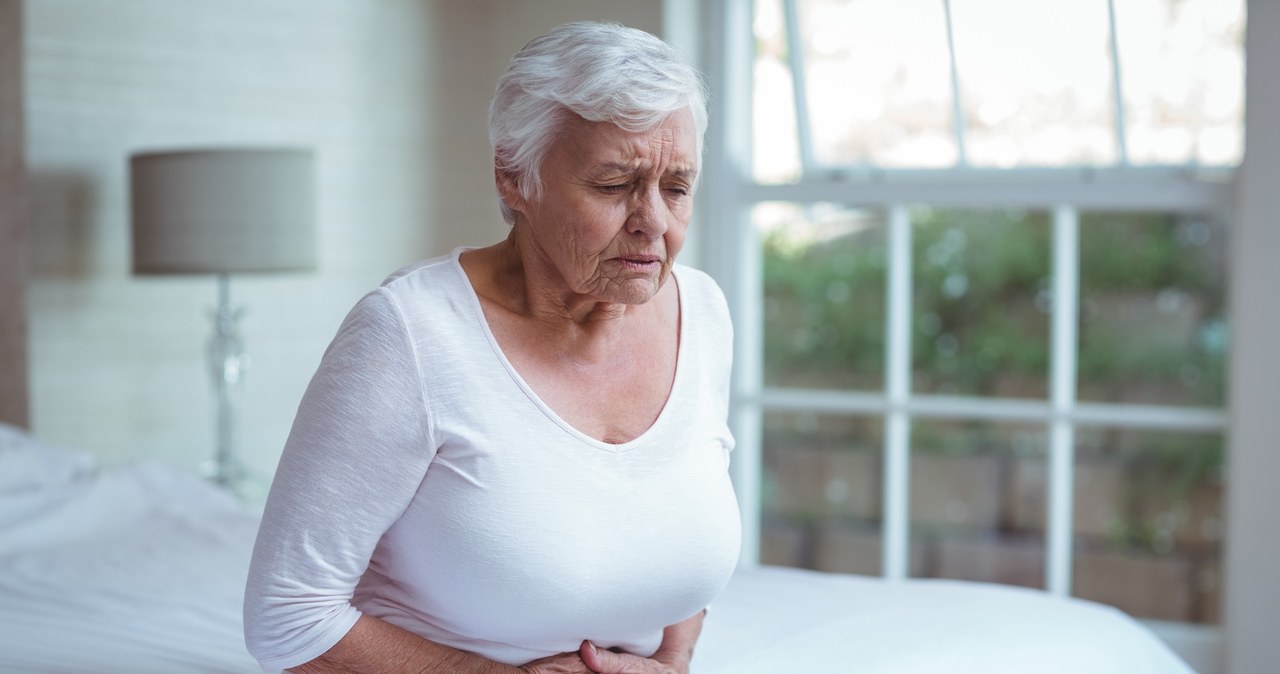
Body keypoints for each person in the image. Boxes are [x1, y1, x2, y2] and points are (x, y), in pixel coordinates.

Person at [243, 21, 741, 674]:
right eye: (614, 185)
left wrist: (669, 665)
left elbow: (676, 529)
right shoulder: (410, 334)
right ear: (514, 178)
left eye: (677, 188)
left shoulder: (701, 312)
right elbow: (286, 614)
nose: (654, 221)